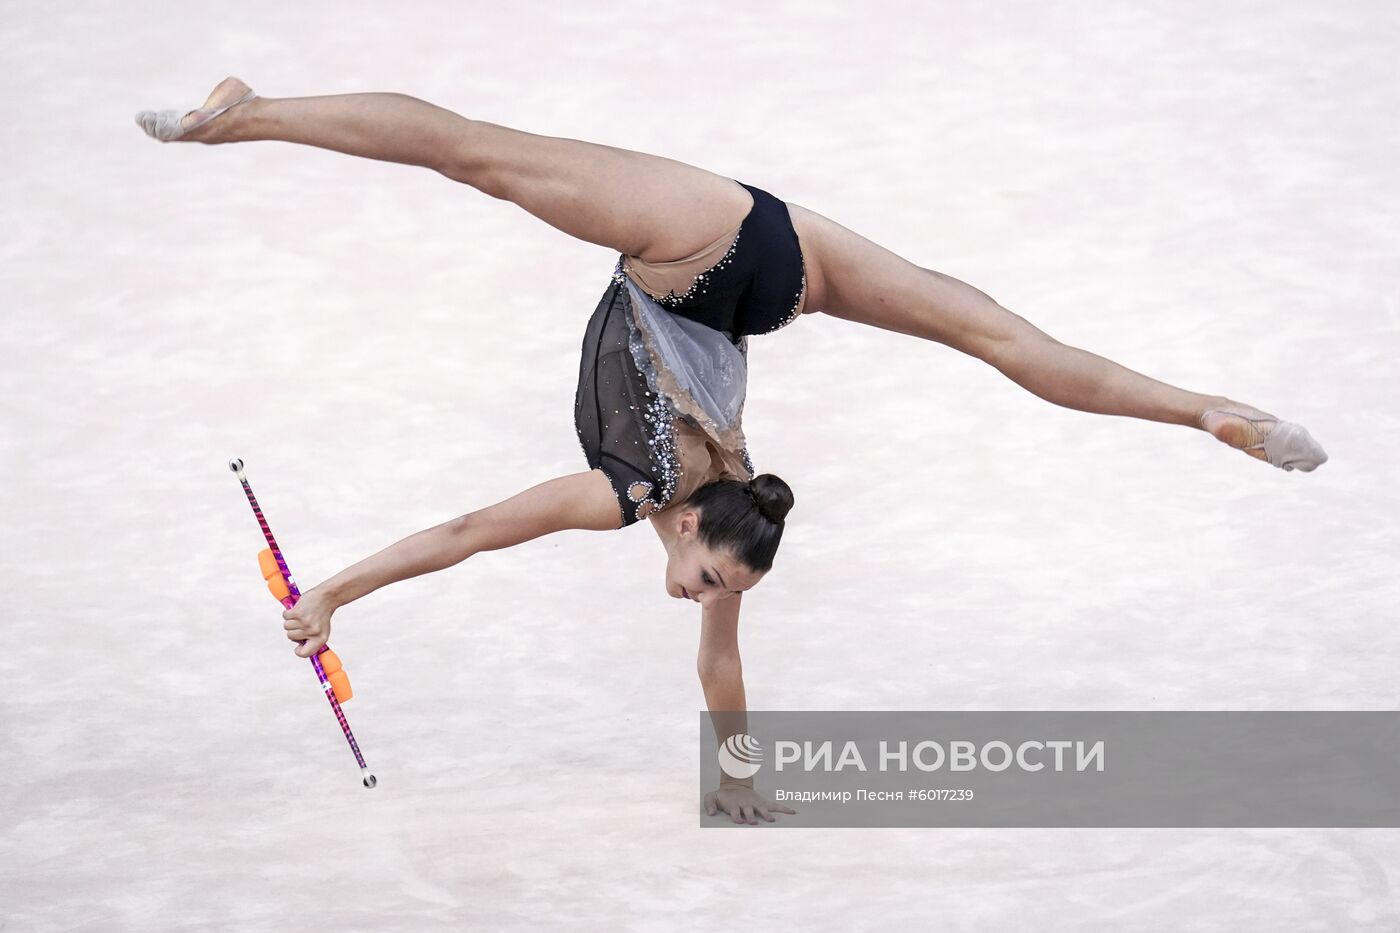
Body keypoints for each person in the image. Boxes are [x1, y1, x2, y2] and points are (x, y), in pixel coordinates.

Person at [136, 78, 1328, 824]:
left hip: (779, 268)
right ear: (706, 534)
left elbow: (718, 674)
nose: (702, 598)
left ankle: (1209, 412)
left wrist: (740, 777)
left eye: (717, 589)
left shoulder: (705, 511)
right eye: (712, 581)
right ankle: (245, 118)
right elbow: (463, 535)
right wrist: (333, 591)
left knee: (998, 338)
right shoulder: (625, 495)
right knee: (479, 153)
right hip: (706, 254)